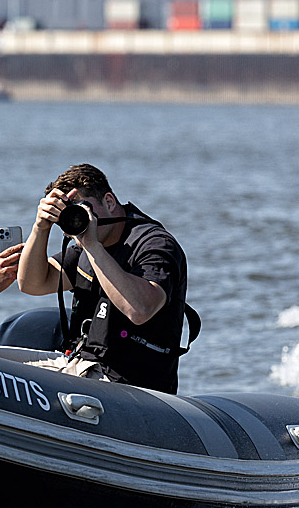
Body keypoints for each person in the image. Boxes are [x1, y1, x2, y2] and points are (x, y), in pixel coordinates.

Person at [17, 163, 190, 393]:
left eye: (82, 208)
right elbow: (31, 284)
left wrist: (93, 246)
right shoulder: (85, 245)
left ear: (109, 202)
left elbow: (140, 310)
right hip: (83, 366)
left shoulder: (155, 244)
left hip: (131, 385)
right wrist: (41, 227)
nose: (79, 218)